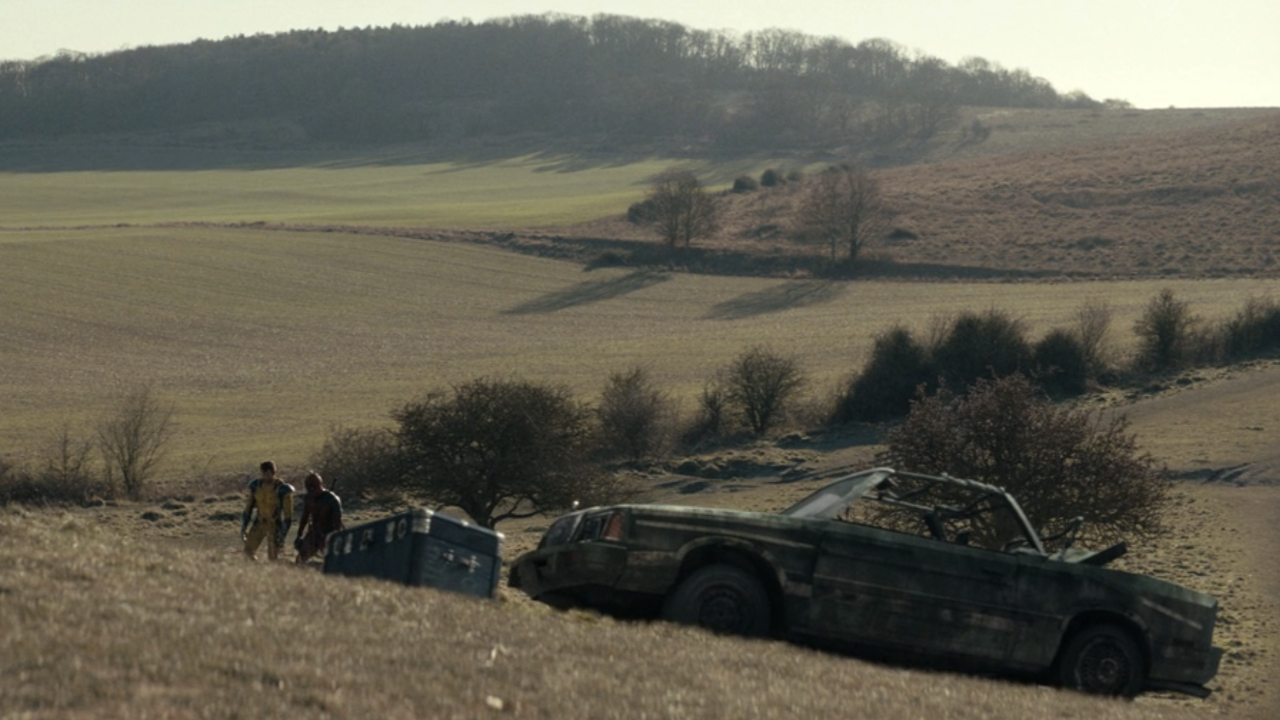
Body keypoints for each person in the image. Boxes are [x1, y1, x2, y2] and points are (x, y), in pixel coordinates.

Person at [241, 460, 295, 561]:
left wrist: (282, 535)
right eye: (263, 474)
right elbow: (248, 508)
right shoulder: (256, 486)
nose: (265, 477)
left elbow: (288, 516)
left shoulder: (281, 488)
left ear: (273, 473)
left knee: (273, 558)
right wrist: (244, 526)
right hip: (259, 523)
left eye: (268, 474)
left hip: (274, 525)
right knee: (247, 552)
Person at [294, 471, 344, 564]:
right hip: (315, 533)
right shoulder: (309, 499)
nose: (312, 491)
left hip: (330, 533)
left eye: (313, 488)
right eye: (309, 488)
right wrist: (299, 534)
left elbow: (337, 521)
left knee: (335, 561)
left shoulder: (332, 499)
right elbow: (305, 517)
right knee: (300, 559)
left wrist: (333, 536)